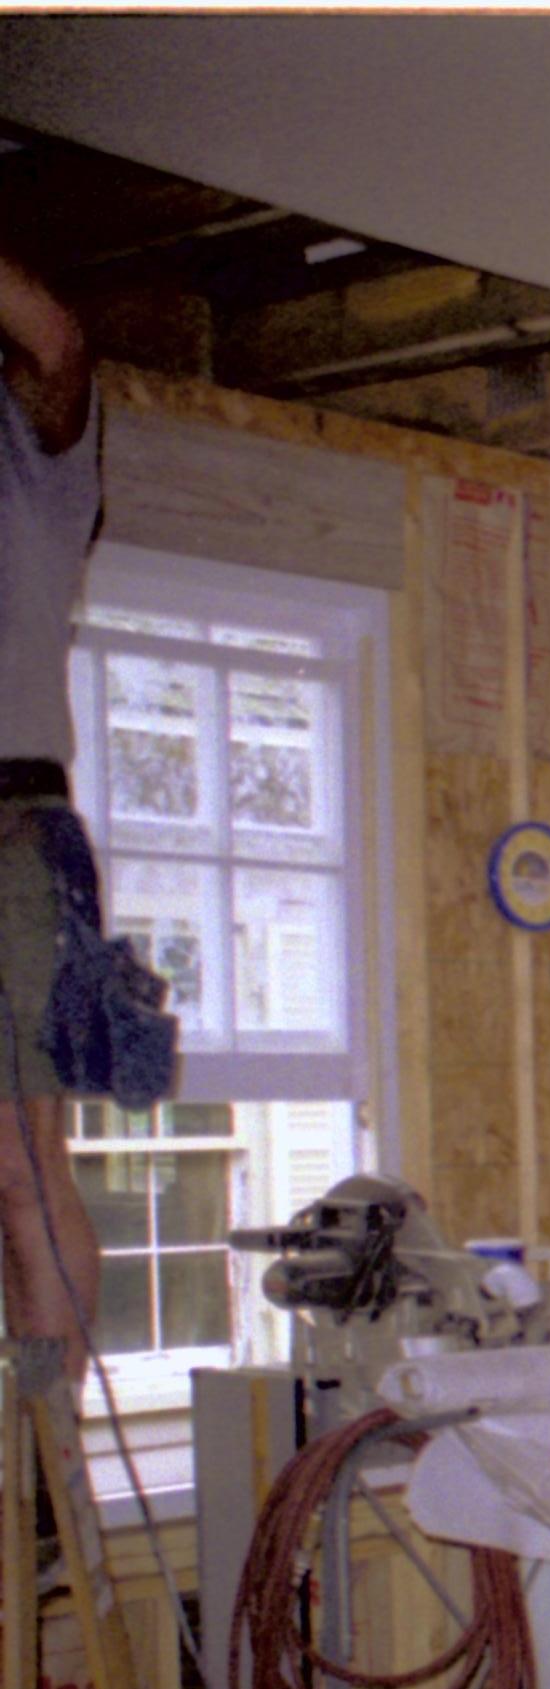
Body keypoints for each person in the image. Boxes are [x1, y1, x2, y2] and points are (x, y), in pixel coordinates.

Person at [0, 247, 107, 1384]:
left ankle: (53, 1466)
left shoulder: (30, 446)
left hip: (14, 829)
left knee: (25, 1163)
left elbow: (58, 339)